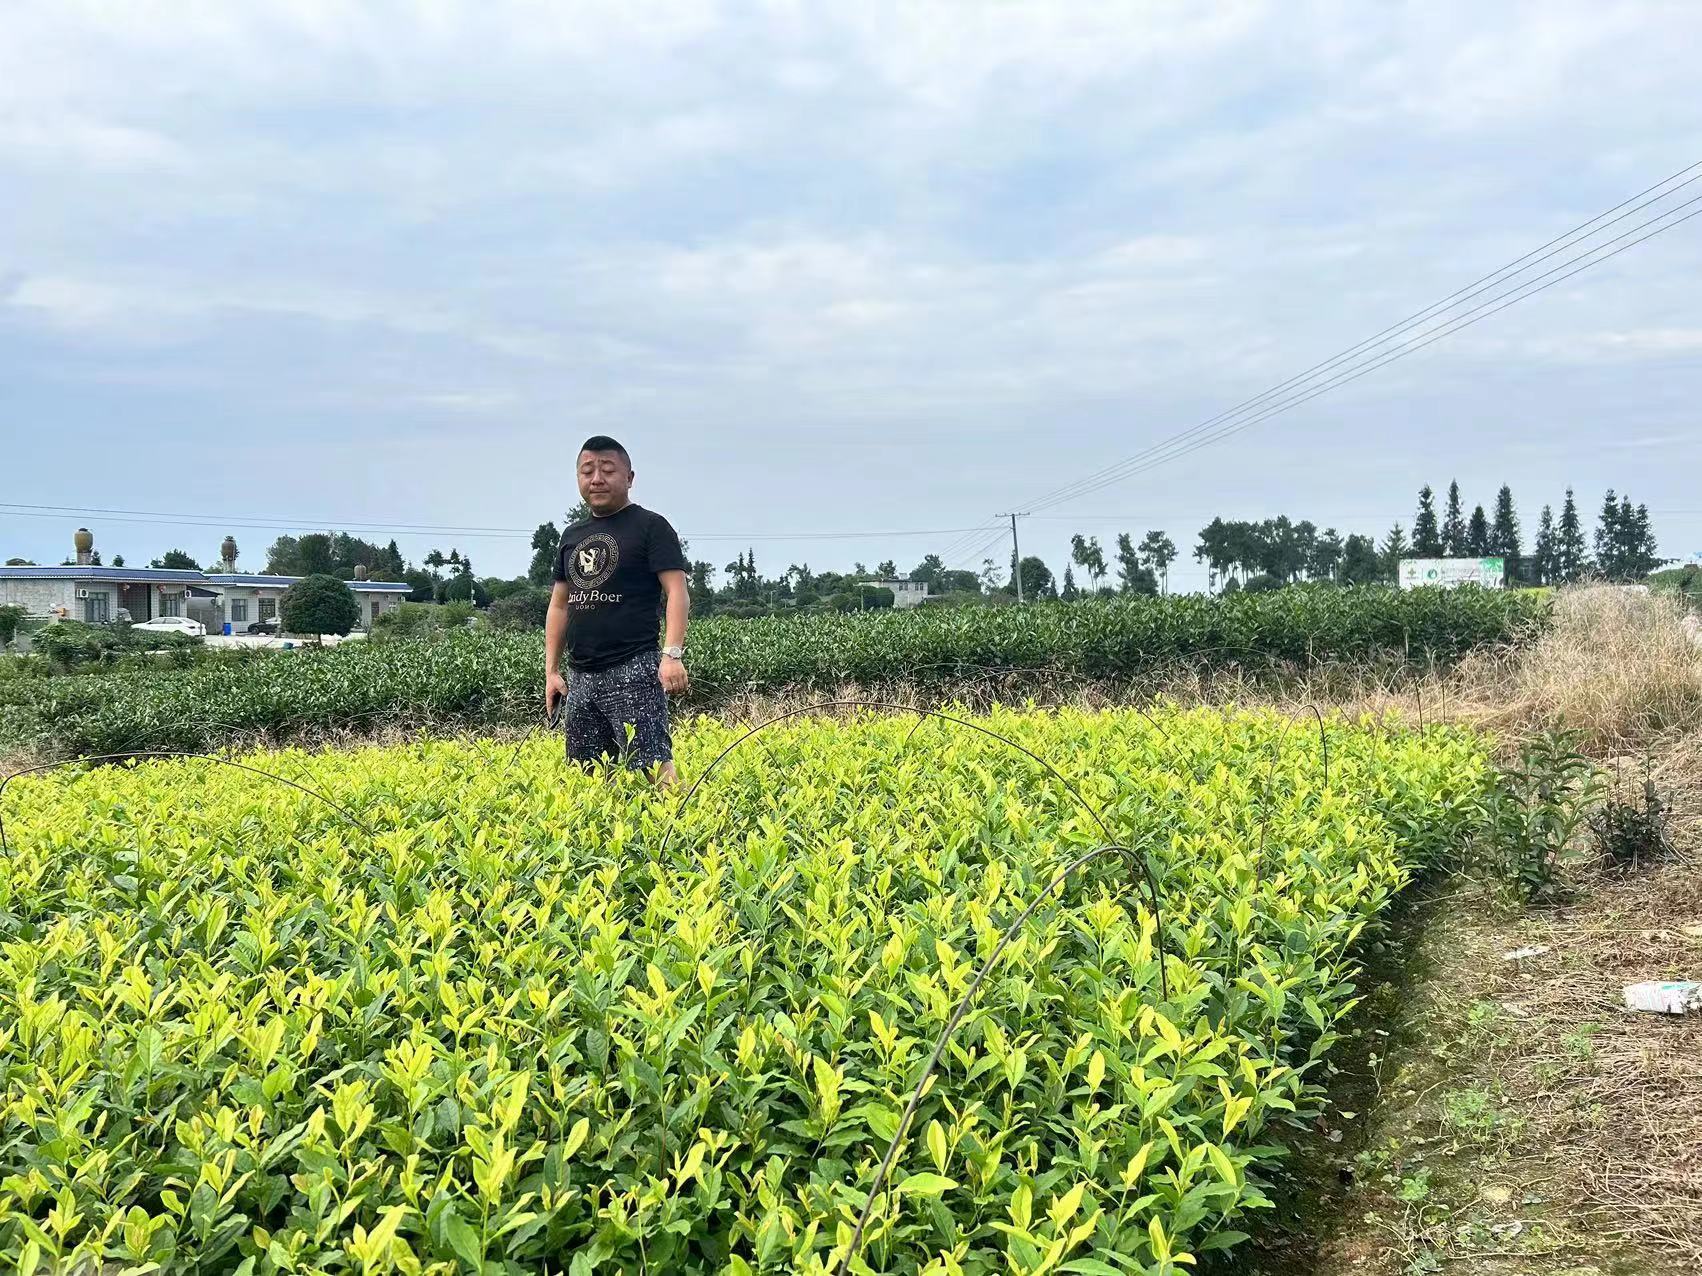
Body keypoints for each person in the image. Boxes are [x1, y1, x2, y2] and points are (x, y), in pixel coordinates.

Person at [544, 435, 690, 784]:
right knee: (589, 777)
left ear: (629, 477)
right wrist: (552, 670)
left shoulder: (651, 526)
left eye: (607, 470)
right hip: (580, 676)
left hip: (634, 668)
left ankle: (684, 833)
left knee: (654, 771)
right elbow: (559, 605)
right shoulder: (571, 535)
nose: (596, 479)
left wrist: (671, 654)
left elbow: (677, 592)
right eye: (587, 471)